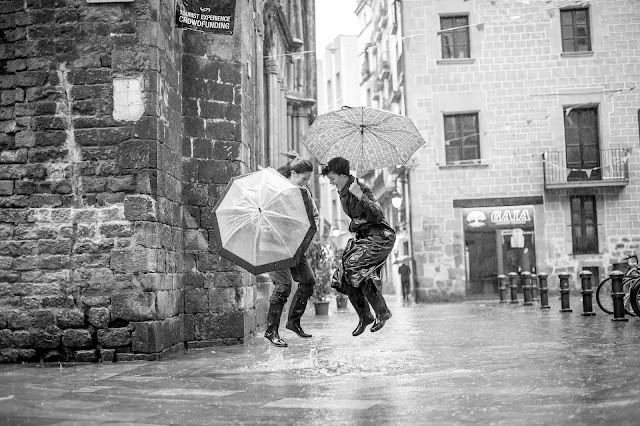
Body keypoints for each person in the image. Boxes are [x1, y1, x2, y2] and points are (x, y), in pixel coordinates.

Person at [322, 157, 395, 335]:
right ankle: (365, 316)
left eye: (332, 178)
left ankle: (382, 311)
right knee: (343, 277)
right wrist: (355, 224)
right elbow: (357, 219)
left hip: (380, 236)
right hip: (364, 238)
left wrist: (360, 196)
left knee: (355, 267)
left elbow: (377, 215)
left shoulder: (360, 189)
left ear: (343, 175)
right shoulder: (343, 192)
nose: (331, 182)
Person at [264, 151, 320, 348]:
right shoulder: (274, 189)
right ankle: (271, 331)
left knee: (308, 280)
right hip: (273, 244)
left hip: (294, 245)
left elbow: (313, 215)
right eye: (303, 179)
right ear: (293, 173)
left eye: (307, 180)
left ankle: (293, 322)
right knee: (283, 286)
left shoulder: (303, 192)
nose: (305, 183)